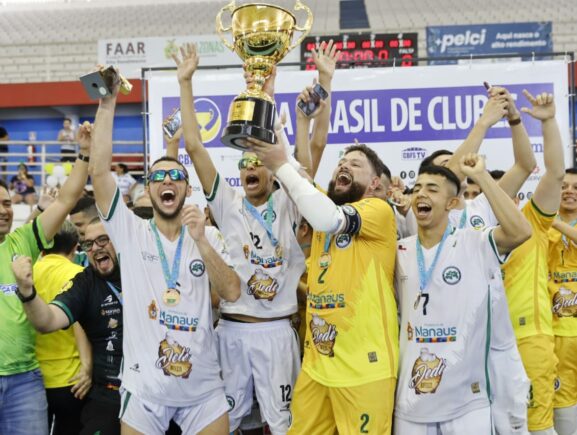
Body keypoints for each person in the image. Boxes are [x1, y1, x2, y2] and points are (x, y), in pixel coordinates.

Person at [173, 42, 335, 434]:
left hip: (278, 331)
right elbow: (194, 147)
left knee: (283, 425)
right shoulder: (227, 204)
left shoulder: (288, 202)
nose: (250, 166)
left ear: (271, 170)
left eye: (258, 162)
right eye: (243, 162)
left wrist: (323, 81)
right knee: (225, 423)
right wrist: (185, 82)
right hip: (231, 331)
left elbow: (311, 150)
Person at [90, 69, 240, 434]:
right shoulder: (131, 232)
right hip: (145, 389)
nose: (166, 181)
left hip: (203, 389)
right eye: (157, 177)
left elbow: (232, 293)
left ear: (188, 190)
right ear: (149, 191)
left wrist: (202, 240)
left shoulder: (208, 238)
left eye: (175, 177)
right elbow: (98, 174)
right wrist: (107, 104)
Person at [248, 134, 399, 433]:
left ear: (375, 184)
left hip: (363, 371)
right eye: (341, 161)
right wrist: (274, 127)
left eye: (356, 164)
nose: (344, 164)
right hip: (317, 368)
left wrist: (282, 164)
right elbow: (297, 178)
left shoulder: (378, 210)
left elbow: (327, 218)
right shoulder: (323, 205)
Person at [394, 155, 531, 434]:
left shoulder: (474, 242)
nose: (421, 192)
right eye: (417, 187)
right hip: (411, 404)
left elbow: (520, 232)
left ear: (452, 203)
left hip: (468, 403)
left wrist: (481, 177)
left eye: (432, 189)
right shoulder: (398, 251)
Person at [0, 122, 92, 435]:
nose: (4, 210)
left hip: (25, 381)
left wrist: (83, 154)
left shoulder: (22, 242)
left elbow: (66, 199)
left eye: (7, 203)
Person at [11, 218, 124, 435]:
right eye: (88, 244)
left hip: (156, 392)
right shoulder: (83, 280)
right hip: (105, 394)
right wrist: (27, 292)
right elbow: (48, 321)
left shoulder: (146, 271)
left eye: (102, 240)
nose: (95, 248)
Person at [496, 91, 564, 435]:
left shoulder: (531, 222)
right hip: (484, 346)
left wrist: (548, 122)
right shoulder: (470, 232)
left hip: (529, 341)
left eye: (503, 192)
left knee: (536, 429)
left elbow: (553, 174)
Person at [32, 220, 92, 435]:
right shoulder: (80, 274)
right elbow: (81, 322)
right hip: (74, 380)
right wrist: (88, 366)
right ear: (76, 247)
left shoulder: (27, 274)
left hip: (33, 379)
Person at [548, 168, 577, 435]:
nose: (569, 191)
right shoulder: (540, 227)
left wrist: (553, 221)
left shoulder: (550, 223)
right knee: (562, 399)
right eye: (564, 186)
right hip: (556, 330)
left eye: (575, 188)